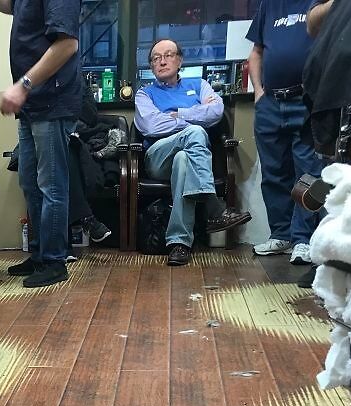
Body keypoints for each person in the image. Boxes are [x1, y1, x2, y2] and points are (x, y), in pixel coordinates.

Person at [0, 0, 82, 288]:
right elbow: (11, 6)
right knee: (30, 181)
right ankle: (40, 254)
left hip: (51, 101)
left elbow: (67, 45)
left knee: (51, 184)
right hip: (34, 104)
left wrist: (23, 84)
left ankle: (54, 261)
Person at [134, 39, 251, 267]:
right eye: (156, 58)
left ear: (180, 60)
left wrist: (177, 115)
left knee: (183, 161)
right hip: (158, 157)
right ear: (151, 66)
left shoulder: (199, 85)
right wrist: (193, 117)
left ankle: (179, 244)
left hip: (186, 156)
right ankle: (214, 207)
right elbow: (150, 126)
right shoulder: (144, 94)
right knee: (196, 132)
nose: (162, 61)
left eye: (168, 55)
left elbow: (215, 112)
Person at [247, 0, 323, 265]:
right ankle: (281, 234)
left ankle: (303, 239)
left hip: (306, 97)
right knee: (273, 173)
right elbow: (256, 52)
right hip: (270, 102)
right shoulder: (270, 4)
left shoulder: (318, 3)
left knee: (308, 173)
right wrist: (258, 91)